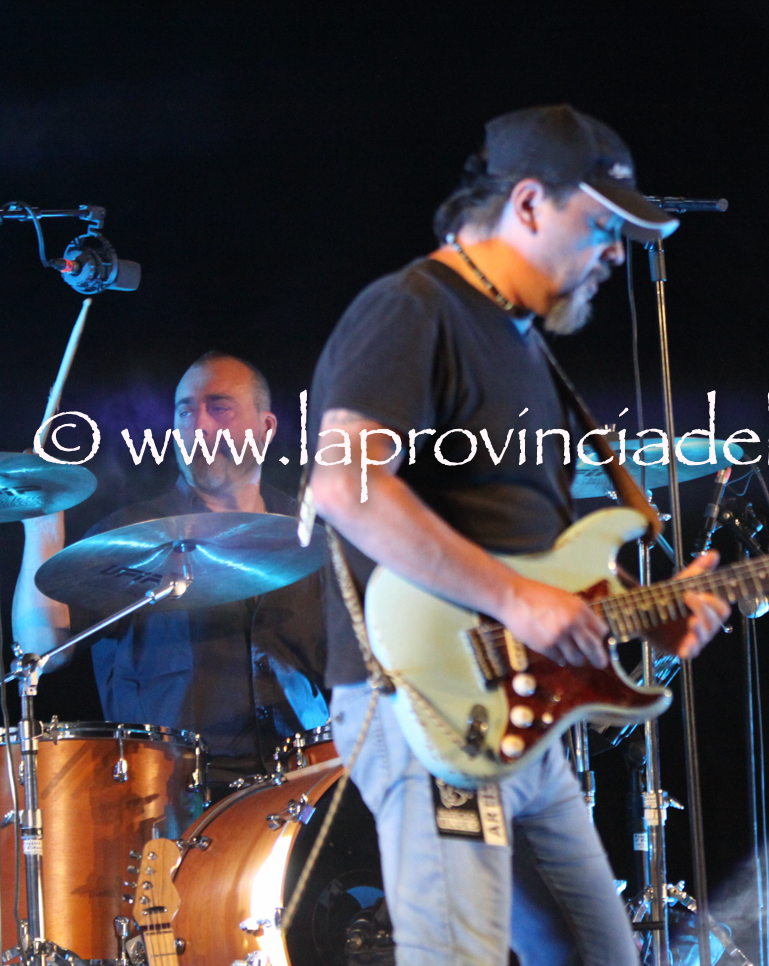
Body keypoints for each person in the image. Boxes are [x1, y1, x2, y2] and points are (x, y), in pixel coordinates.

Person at [307, 103, 730, 966]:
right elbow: (345, 484)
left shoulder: (523, 343)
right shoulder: (411, 308)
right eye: (602, 225)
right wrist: (518, 601)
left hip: (524, 713)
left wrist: (643, 611)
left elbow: (533, 557)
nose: (616, 252)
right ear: (530, 203)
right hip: (430, 704)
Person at [13, 352, 330, 790]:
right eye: (185, 411)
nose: (198, 425)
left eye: (219, 407)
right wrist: (43, 523)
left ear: (267, 427)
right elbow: (43, 649)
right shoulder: (126, 537)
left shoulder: (313, 535)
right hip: (170, 798)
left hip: (304, 787)